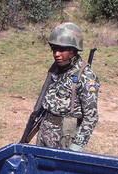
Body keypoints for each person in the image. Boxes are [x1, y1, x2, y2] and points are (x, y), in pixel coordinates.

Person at [36, 22, 100, 151]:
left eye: (61, 49)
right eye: (54, 49)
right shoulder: (56, 68)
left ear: (72, 51)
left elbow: (91, 117)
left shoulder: (86, 76)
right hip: (44, 132)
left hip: (65, 138)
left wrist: (76, 147)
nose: (56, 54)